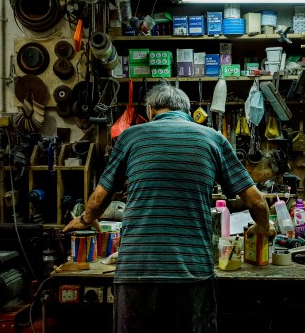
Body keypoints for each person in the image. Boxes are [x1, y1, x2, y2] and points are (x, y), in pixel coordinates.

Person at [63, 82, 271, 333]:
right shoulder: (214, 139)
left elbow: (99, 197)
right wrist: (263, 227)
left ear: (150, 110)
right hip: (191, 272)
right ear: (187, 110)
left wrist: (86, 219)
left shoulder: (130, 136)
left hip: (137, 272)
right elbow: (256, 200)